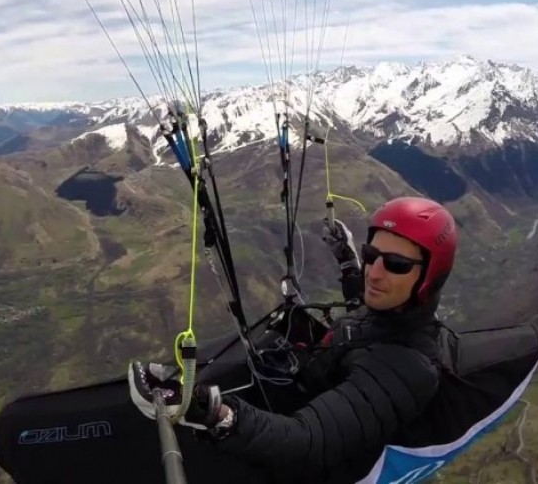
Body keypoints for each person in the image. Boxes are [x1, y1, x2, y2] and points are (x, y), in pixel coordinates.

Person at [128, 196, 458, 484]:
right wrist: (348, 264)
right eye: (372, 254)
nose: (374, 272)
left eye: (396, 265)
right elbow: (368, 314)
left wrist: (209, 410)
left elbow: (308, 441)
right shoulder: (394, 313)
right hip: (311, 382)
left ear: (430, 277)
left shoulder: (407, 367)